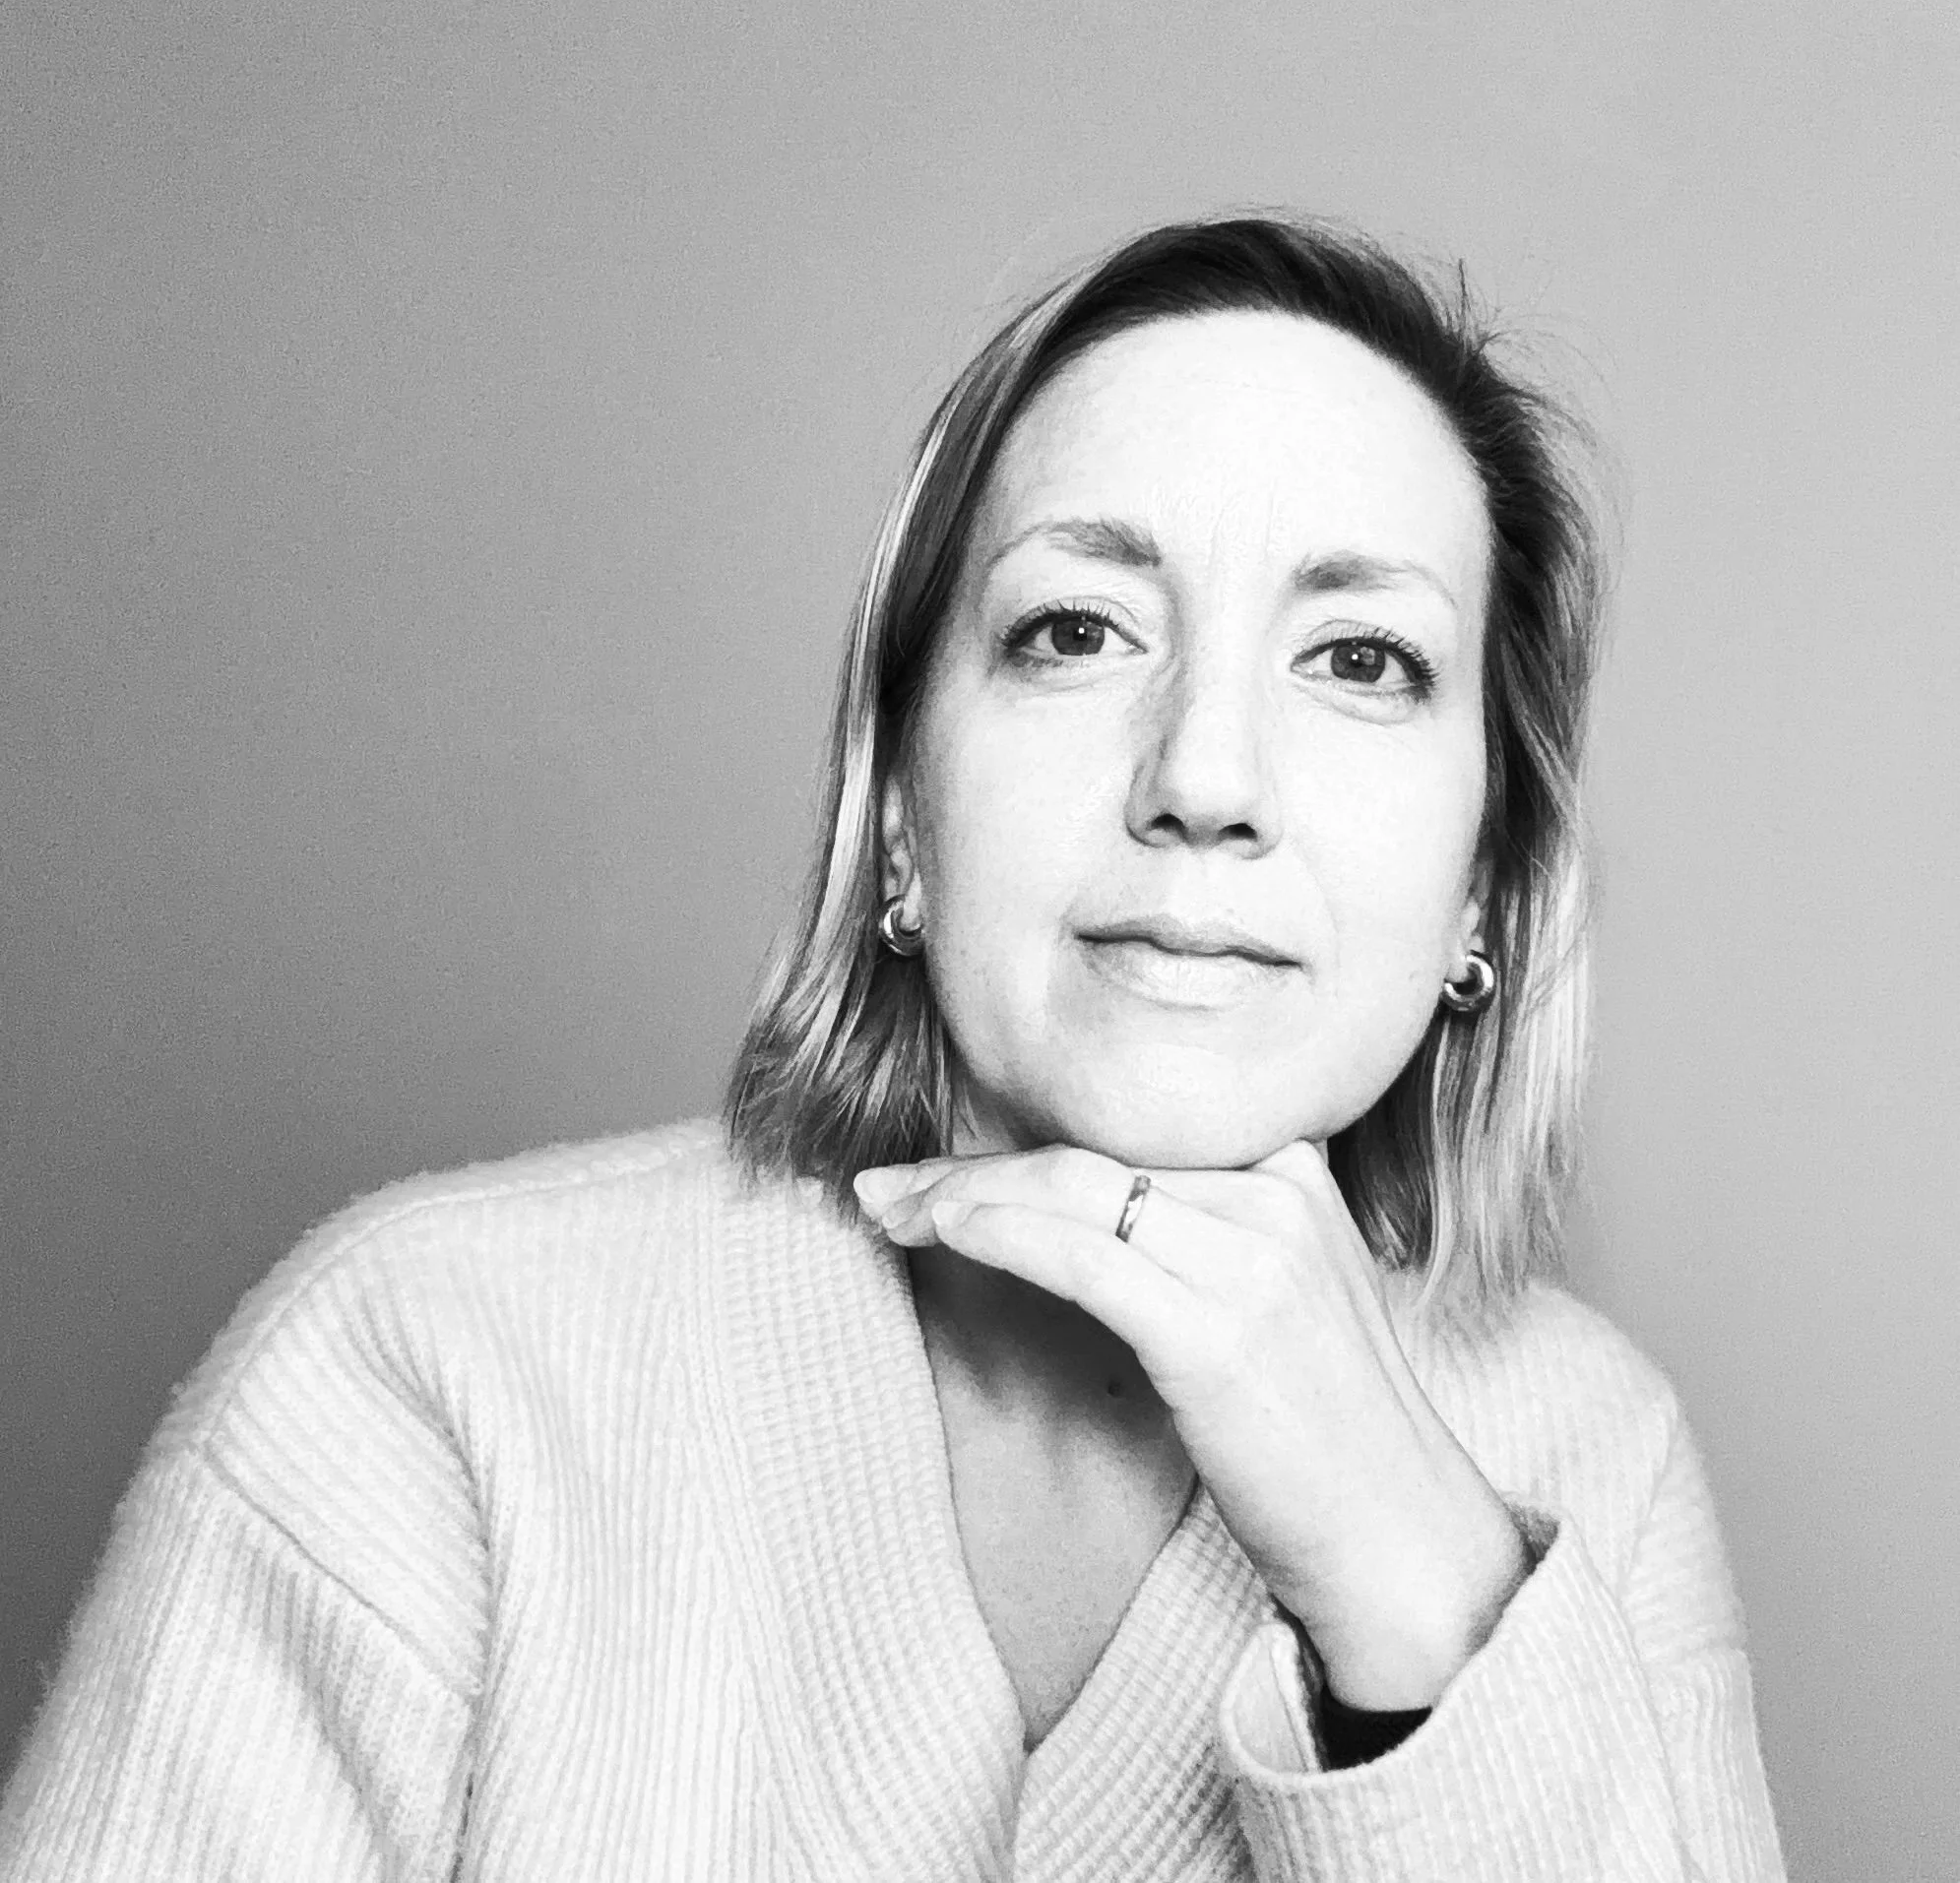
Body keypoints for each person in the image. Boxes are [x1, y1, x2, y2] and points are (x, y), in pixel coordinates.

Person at [0, 217, 1786, 1881]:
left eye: (1361, 658)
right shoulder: (425, 1366)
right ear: (903, 822)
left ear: (1482, 883)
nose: (1206, 780)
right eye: (1075, 631)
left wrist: (1421, 1586)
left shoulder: (1588, 1455)